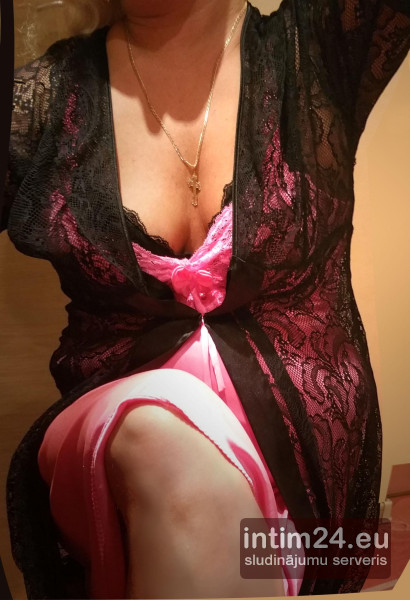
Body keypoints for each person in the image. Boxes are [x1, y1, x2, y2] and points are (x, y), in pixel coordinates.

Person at [2, 0, 410, 598]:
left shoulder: (319, 46)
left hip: (310, 524)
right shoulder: (42, 103)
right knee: (162, 435)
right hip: (117, 454)